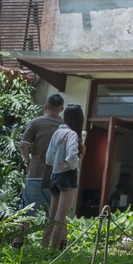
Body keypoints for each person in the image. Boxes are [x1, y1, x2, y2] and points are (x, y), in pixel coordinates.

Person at [15, 93, 64, 247]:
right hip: (56, 175)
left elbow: (24, 145)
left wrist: (28, 161)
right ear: (61, 109)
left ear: (45, 107)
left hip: (35, 174)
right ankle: (60, 245)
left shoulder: (35, 123)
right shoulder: (66, 127)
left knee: (26, 211)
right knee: (58, 213)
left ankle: (18, 243)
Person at [43, 104, 85, 250]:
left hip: (54, 176)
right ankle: (53, 251)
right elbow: (73, 155)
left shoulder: (57, 133)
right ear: (79, 119)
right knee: (61, 216)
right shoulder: (72, 134)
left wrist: (56, 165)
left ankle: (43, 246)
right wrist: (68, 164)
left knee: (52, 215)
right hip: (67, 177)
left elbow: (48, 157)